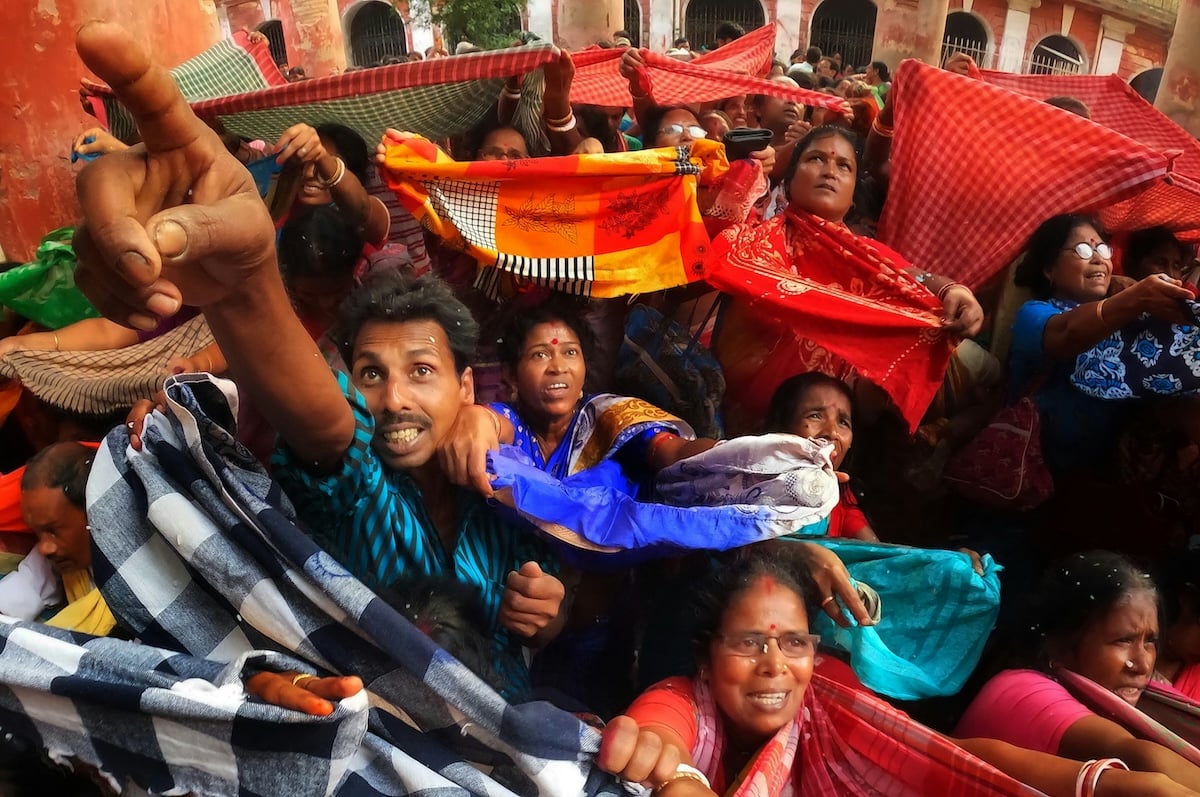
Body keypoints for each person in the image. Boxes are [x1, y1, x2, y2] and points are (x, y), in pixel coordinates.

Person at [70, 22, 567, 702]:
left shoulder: (511, 490)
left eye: (420, 370)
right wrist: (244, 289)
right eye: (370, 373)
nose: (391, 397)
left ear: (465, 384)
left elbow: (577, 587)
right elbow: (332, 430)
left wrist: (551, 608)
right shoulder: (352, 495)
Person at [601, 550, 1196, 796]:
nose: (775, 667)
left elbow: (935, 755)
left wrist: (1101, 785)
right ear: (706, 654)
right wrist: (666, 763)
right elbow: (661, 736)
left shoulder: (830, 692)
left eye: (795, 643)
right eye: (750, 643)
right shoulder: (681, 698)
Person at [712, 126, 985, 434]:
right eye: (816, 159)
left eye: (844, 166)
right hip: (732, 428)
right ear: (787, 184)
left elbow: (914, 278)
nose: (830, 171)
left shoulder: (867, 259)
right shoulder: (750, 239)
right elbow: (709, 237)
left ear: (853, 197)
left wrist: (953, 289)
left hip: (823, 442)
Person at [956, 551, 1200, 791]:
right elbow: (1141, 758)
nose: (1144, 664)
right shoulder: (1021, 689)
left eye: (1150, 641)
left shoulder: (1106, 699)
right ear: (1062, 643)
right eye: (1123, 640)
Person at [1009, 214, 1192, 474]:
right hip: (1027, 475)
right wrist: (1134, 298)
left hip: (1099, 480)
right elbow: (1067, 334)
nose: (1098, 258)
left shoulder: (1132, 321)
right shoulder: (1034, 314)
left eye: (1103, 249)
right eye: (1083, 250)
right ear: (1049, 269)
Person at [765, 373, 878, 541]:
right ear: (783, 426)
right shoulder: (744, 484)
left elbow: (879, 555)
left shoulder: (841, 507)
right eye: (815, 415)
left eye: (843, 422)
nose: (832, 432)